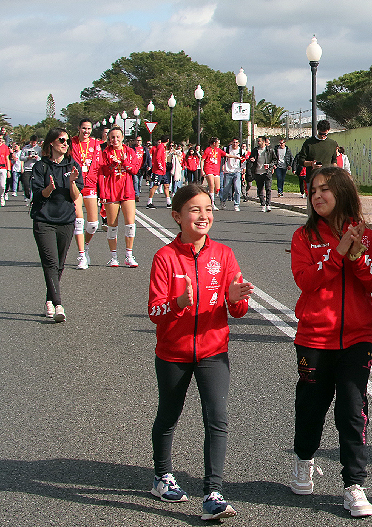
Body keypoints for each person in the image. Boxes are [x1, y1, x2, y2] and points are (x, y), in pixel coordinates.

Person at [147, 184, 254, 520]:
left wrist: (236, 297)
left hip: (213, 351)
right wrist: (179, 303)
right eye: (194, 210)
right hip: (173, 353)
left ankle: (213, 492)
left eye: (208, 209)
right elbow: (155, 311)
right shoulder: (165, 258)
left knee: (217, 419)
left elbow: (238, 311)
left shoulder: (223, 255)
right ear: (177, 216)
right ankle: (162, 476)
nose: (203, 216)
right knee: (168, 415)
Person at [288, 167, 372, 517]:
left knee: (352, 410)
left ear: (342, 192)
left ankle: (354, 485)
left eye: (325, 189)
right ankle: (303, 459)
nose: (317, 196)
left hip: (357, 339)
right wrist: (336, 254)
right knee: (312, 406)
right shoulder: (304, 236)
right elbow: (305, 280)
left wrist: (358, 256)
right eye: (313, 190)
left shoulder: (366, 235)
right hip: (314, 338)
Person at [30, 128, 81, 322]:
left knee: (59, 264)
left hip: (66, 220)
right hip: (44, 220)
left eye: (67, 140)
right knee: (50, 262)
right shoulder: (40, 167)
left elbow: (75, 196)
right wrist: (48, 189)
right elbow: (35, 194)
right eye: (61, 140)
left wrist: (73, 182)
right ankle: (59, 304)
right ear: (51, 143)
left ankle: (49, 301)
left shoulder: (72, 165)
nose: (65, 143)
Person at [96, 127, 141, 267]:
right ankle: (113, 256)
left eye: (117, 137)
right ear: (109, 139)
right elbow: (102, 172)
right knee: (112, 225)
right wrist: (112, 164)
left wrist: (123, 161)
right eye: (112, 137)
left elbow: (134, 170)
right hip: (111, 190)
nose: (115, 140)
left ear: (122, 137)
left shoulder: (129, 151)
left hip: (127, 189)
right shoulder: (105, 153)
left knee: (130, 224)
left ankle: (129, 255)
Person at [70, 119, 101, 269]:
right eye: (84, 128)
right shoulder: (72, 142)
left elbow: (99, 164)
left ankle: (86, 245)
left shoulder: (95, 144)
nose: (86, 131)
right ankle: (81, 255)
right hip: (76, 184)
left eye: (89, 129)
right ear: (79, 128)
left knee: (94, 224)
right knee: (79, 220)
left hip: (90, 184)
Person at [249, 136, 276, 211]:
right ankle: (262, 204)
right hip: (258, 171)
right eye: (258, 141)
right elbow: (251, 158)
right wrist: (252, 159)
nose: (258, 142)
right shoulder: (255, 150)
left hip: (267, 172)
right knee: (260, 189)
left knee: (268, 188)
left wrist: (270, 165)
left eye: (259, 141)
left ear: (264, 142)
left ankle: (268, 204)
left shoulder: (269, 150)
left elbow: (275, 160)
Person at [220, 138, 247, 212]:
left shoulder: (242, 151)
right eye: (233, 142)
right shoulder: (226, 149)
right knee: (226, 189)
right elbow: (221, 157)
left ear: (238, 143)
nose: (235, 144)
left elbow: (244, 162)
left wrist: (243, 173)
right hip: (228, 171)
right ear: (231, 143)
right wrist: (222, 165)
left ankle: (236, 204)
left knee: (237, 189)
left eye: (236, 142)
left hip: (237, 171)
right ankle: (223, 201)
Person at [147, 136, 171, 209]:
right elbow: (157, 158)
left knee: (166, 185)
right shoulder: (160, 147)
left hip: (163, 171)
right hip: (158, 171)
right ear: (167, 140)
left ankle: (168, 202)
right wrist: (160, 166)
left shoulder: (163, 147)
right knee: (155, 185)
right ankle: (149, 202)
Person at [202, 138, 223, 209]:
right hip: (209, 169)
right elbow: (202, 160)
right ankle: (212, 203)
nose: (219, 144)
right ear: (214, 143)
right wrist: (202, 170)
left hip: (216, 170)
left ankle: (209, 194)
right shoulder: (207, 150)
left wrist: (237, 157)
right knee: (211, 185)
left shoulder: (218, 150)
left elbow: (226, 154)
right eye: (218, 143)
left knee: (217, 188)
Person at [19, 135, 41, 204]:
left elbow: (42, 158)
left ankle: (34, 198)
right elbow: (21, 158)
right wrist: (28, 157)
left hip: (35, 168)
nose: (33, 144)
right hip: (27, 168)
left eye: (34, 143)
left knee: (35, 184)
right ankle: (27, 196)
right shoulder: (25, 148)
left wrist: (37, 157)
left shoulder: (39, 149)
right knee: (26, 184)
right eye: (32, 142)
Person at [0, 138, 9, 206]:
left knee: (3, 186)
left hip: (3, 168)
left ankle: (2, 196)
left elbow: (7, 159)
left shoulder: (5, 147)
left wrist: (8, 170)